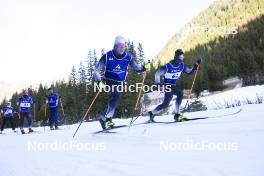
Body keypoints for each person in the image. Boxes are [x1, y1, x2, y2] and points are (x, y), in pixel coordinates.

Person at [94, 35, 150, 130]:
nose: (121, 48)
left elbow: (137, 68)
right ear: (115, 46)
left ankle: (104, 118)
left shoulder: (128, 57)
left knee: (114, 100)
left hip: (120, 81)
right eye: (119, 46)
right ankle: (107, 119)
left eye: (123, 46)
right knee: (115, 95)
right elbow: (97, 70)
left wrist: (144, 68)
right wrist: (99, 81)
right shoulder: (107, 56)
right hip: (108, 80)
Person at [148, 49, 202, 122]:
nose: (182, 57)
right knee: (180, 94)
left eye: (183, 56)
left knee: (165, 104)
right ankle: (177, 114)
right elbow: (157, 74)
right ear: (176, 57)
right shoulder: (168, 66)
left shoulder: (182, 65)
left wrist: (195, 66)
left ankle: (152, 113)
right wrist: (158, 84)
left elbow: (189, 72)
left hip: (172, 85)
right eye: (181, 56)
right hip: (166, 85)